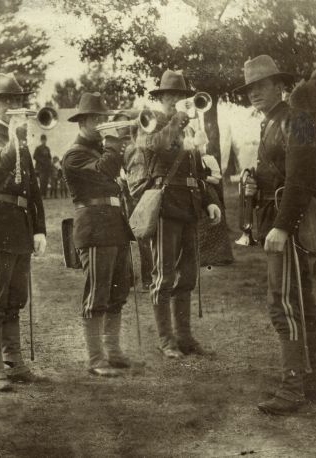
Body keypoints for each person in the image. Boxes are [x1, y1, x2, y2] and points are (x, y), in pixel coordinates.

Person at [233, 55, 316, 415]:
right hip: (277, 221)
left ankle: (292, 389)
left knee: (284, 304)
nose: (254, 93)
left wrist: (283, 227)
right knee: (304, 305)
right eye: (250, 88)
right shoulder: (271, 122)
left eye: (262, 85)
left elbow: (301, 178)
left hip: (289, 226)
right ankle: (308, 382)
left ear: (279, 85)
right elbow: (281, 173)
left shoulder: (298, 119)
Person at [0, 73, 47, 391]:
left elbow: (33, 190)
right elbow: (2, 163)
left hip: (19, 226)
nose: (12, 107)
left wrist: (39, 229)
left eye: (16, 101)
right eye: (5, 102)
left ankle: (14, 363)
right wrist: (17, 138)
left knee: (16, 299)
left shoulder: (23, 141)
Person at [141, 70, 221, 359]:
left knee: (187, 275)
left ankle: (184, 337)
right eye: (170, 96)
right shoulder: (151, 122)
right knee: (163, 275)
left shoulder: (186, 127)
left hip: (188, 205)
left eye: (179, 96)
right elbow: (158, 147)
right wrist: (178, 120)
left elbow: (199, 170)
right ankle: (166, 340)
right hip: (165, 205)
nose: (175, 100)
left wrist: (209, 200)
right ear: (161, 98)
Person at [62, 92, 134, 377]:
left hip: (114, 224)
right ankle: (95, 358)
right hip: (93, 226)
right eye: (95, 119)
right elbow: (106, 170)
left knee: (119, 291)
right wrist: (114, 143)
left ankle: (113, 351)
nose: (101, 124)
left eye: (102, 118)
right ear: (83, 121)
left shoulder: (100, 150)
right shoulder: (74, 155)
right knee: (97, 293)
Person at [115, 111, 154, 291]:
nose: (121, 127)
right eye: (119, 124)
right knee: (129, 237)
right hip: (126, 195)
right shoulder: (118, 146)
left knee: (144, 237)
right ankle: (129, 278)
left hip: (144, 193)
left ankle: (148, 278)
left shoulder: (142, 145)